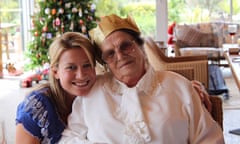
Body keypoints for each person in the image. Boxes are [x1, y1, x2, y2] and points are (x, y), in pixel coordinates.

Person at [59, 14, 224, 143]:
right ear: (105, 62)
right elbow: (68, 137)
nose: (120, 56)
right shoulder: (91, 94)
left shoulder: (179, 86)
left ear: (140, 46)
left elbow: (210, 139)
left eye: (126, 46)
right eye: (110, 53)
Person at [15, 32, 97, 144]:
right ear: (55, 72)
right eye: (71, 67)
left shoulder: (100, 94)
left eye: (87, 65)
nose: (81, 75)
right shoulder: (37, 108)